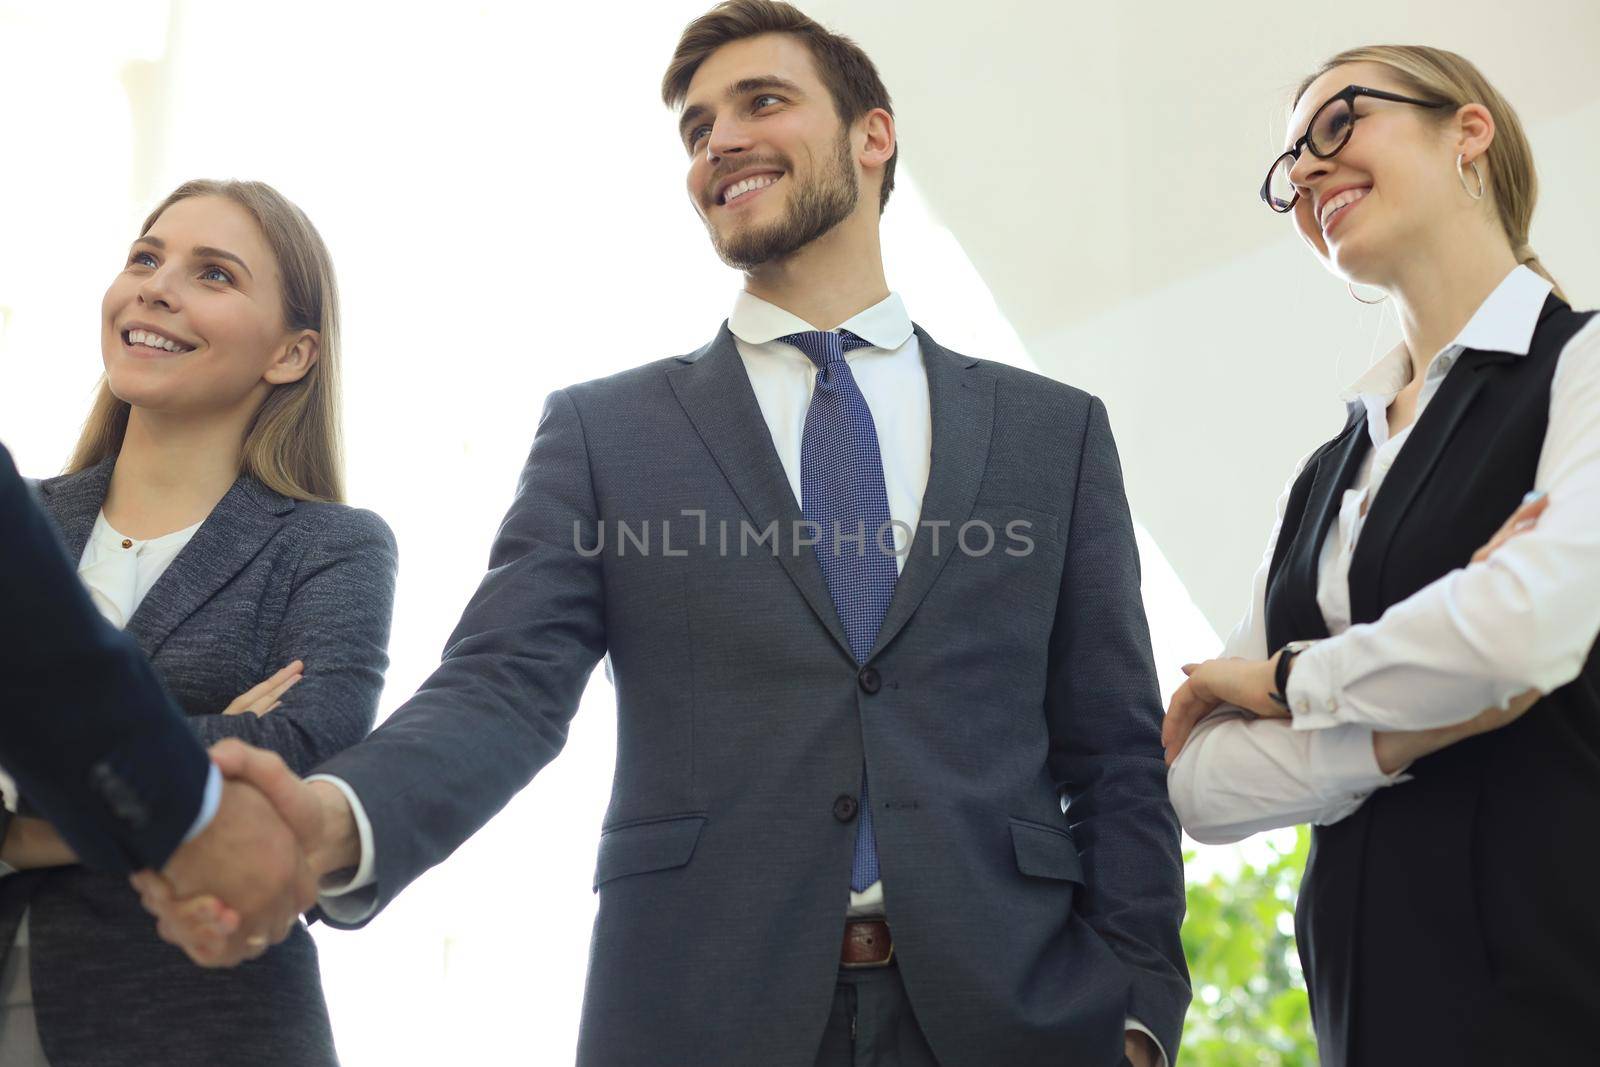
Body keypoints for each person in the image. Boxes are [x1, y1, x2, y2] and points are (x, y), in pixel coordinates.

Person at [146, 5, 1187, 1064]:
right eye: (696, 130)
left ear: (872, 136)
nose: (718, 141)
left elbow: (1112, 753)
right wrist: (336, 817)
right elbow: (500, 687)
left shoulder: (1051, 433)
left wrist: (1140, 1012)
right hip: (699, 1010)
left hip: (1018, 1016)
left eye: (761, 102)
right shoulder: (608, 434)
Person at [1162, 45, 1600, 1066]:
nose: (1306, 173)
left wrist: (1284, 680)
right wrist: (1397, 737)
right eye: (1289, 169)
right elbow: (1196, 780)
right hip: (1367, 1009)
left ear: (1468, 133)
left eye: (1336, 125)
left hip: (1557, 978)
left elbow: (1523, 627)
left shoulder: (1581, 365)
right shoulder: (1326, 470)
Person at [0, 179, 397, 1066]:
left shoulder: (332, 546)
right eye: (145, 257)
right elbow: (232, 774)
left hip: (197, 1026)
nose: (156, 285)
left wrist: (17, 805)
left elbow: (299, 759)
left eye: (212, 274)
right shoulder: (16, 524)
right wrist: (200, 758)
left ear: (292, 354)